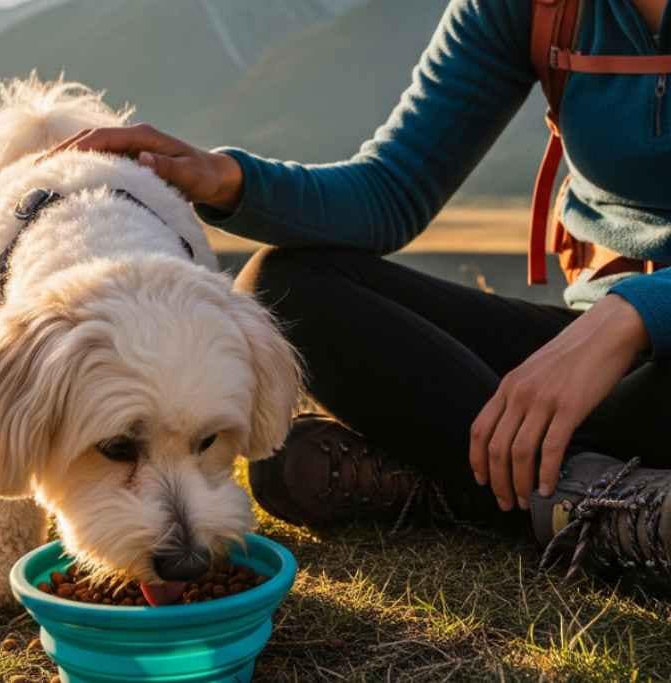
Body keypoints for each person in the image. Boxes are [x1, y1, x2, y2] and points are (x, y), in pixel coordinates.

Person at [47, 0, 671, 585]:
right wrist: (222, 179)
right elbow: (391, 190)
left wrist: (633, 316)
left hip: (629, 343)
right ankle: (602, 499)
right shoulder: (532, 8)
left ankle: (456, 483)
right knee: (289, 290)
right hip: (598, 347)